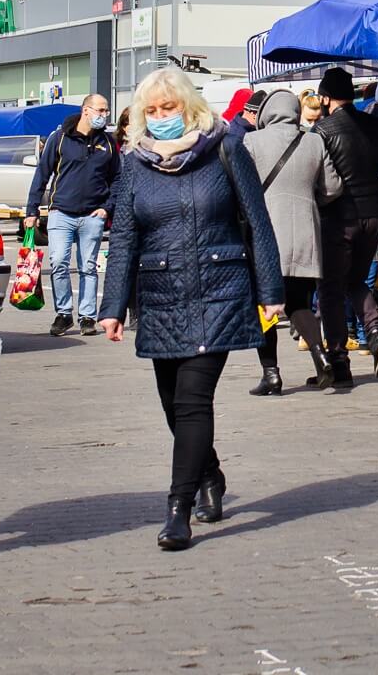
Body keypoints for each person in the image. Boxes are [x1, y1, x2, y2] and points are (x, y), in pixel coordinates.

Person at [97, 67, 283, 551]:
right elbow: (124, 239)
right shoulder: (134, 164)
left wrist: (271, 291)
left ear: (189, 105)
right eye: (152, 110)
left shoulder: (226, 149)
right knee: (172, 405)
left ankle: (177, 509)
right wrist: (112, 306)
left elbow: (258, 223)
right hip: (161, 296)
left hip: (220, 290)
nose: (161, 116)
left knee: (193, 401)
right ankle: (210, 474)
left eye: (169, 107)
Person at [242, 89, 342, 395]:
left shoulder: (252, 141)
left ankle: (271, 374)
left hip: (266, 233)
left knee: (265, 305)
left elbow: (241, 187)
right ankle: (320, 356)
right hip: (305, 233)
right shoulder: (313, 141)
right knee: (299, 301)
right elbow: (332, 187)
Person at [313, 66, 378, 383]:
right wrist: (373, 187)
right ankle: (377, 335)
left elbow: (317, 179)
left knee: (330, 287)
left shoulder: (321, 131)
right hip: (373, 214)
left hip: (338, 219)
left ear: (325, 98)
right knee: (355, 280)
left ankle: (339, 362)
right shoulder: (376, 125)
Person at [25, 95, 122, 338]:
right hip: (61, 213)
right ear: (86, 110)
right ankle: (64, 313)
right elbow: (42, 174)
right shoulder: (60, 138)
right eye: (100, 110)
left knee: (88, 267)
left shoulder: (107, 142)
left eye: (106, 110)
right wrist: (32, 210)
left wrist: (107, 208)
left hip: (93, 215)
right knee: (58, 262)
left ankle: (87, 316)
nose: (105, 115)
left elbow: (117, 179)